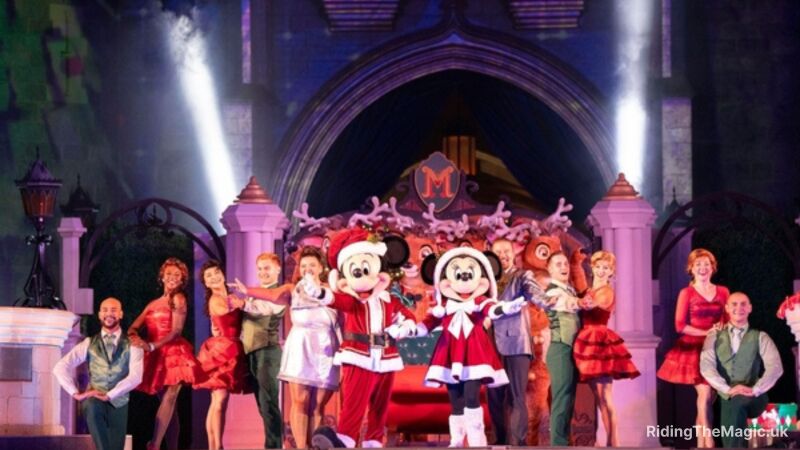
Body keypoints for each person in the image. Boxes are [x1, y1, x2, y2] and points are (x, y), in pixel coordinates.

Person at [238, 247, 338, 449]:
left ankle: (316, 445)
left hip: (325, 348)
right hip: (300, 347)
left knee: (318, 404)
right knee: (300, 400)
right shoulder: (293, 289)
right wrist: (247, 291)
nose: (307, 269)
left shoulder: (331, 291)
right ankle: (301, 447)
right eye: (304, 265)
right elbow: (272, 294)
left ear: (321, 268)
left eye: (312, 265)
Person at [128, 257, 205, 450]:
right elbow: (133, 328)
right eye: (169, 273)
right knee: (169, 406)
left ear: (182, 280)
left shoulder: (178, 299)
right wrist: (135, 339)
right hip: (156, 356)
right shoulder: (153, 304)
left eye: (177, 275)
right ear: (162, 277)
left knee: (170, 396)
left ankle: (154, 444)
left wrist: (152, 345)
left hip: (174, 352)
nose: (172, 277)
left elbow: (176, 331)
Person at [657, 248, 729, 448]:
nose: (703, 268)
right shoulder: (686, 293)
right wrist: (706, 332)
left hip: (717, 348)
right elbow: (680, 326)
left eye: (706, 264)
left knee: (709, 398)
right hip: (694, 348)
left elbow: (727, 319)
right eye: (698, 264)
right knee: (704, 394)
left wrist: (721, 329)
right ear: (691, 268)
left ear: (712, 267)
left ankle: (700, 443)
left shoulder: (723, 291)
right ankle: (709, 441)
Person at [53, 297, 144, 450]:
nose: (109, 314)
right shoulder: (89, 343)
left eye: (113, 310)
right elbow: (60, 367)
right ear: (100, 314)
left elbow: (136, 377)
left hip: (119, 401)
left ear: (121, 314)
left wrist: (111, 395)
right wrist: (75, 393)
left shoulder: (133, 344)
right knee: (92, 406)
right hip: (94, 400)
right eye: (105, 310)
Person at [572, 251, 640, 447]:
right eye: (599, 267)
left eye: (606, 268)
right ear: (593, 268)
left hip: (599, 342)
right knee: (599, 398)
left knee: (605, 396)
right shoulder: (590, 289)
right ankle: (609, 441)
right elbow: (582, 291)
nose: (602, 271)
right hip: (587, 341)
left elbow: (590, 304)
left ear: (611, 272)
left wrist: (577, 301)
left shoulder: (607, 291)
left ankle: (614, 441)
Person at [700, 292, 783, 448]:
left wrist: (755, 389)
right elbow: (706, 366)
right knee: (732, 406)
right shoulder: (714, 337)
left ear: (750, 308)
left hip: (755, 397)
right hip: (727, 396)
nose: (739, 308)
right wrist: (727, 389)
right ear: (727, 308)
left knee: (736, 403)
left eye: (743, 304)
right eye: (734, 304)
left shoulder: (760, 336)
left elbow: (775, 367)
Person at [486, 238, 545, 446]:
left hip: (517, 343)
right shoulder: (486, 281)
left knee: (516, 396)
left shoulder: (522, 276)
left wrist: (545, 300)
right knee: (494, 396)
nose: (503, 255)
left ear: (513, 254)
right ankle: (500, 441)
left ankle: (518, 443)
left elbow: (534, 291)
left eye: (506, 251)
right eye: (498, 252)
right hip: (490, 343)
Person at [194, 260, 249, 450]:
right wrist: (245, 302)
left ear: (223, 274)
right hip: (222, 351)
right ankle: (217, 446)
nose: (214, 277)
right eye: (208, 276)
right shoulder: (216, 299)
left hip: (231, 348)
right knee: (220, 401)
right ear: (205, 283)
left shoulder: (231, 296)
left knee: (218, 402)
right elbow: (228, 312)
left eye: (216, 272)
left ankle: (214, 446)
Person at [541, 251, 593, 446]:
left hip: (571, 349)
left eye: (565, 263)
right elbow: (568, 303)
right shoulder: (552, 292)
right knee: (561, 398)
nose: (563, 267)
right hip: (560, 349)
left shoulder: (569, 289)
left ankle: (564, 441)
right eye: (558, 264)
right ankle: (558, 444)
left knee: (569, 398)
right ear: (549, 269)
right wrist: (580, 302)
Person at [240, 252, 290, 449]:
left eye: (267, 268)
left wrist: (243, 303)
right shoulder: (257, 293)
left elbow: (265, 309)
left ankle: (274, 446)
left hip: (268, 352)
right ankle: (275, 442)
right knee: (262, 404)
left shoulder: (280, 292)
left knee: (268, 402)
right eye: (259, 269)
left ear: (278, 269)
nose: (262, 272)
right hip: (252, 352)